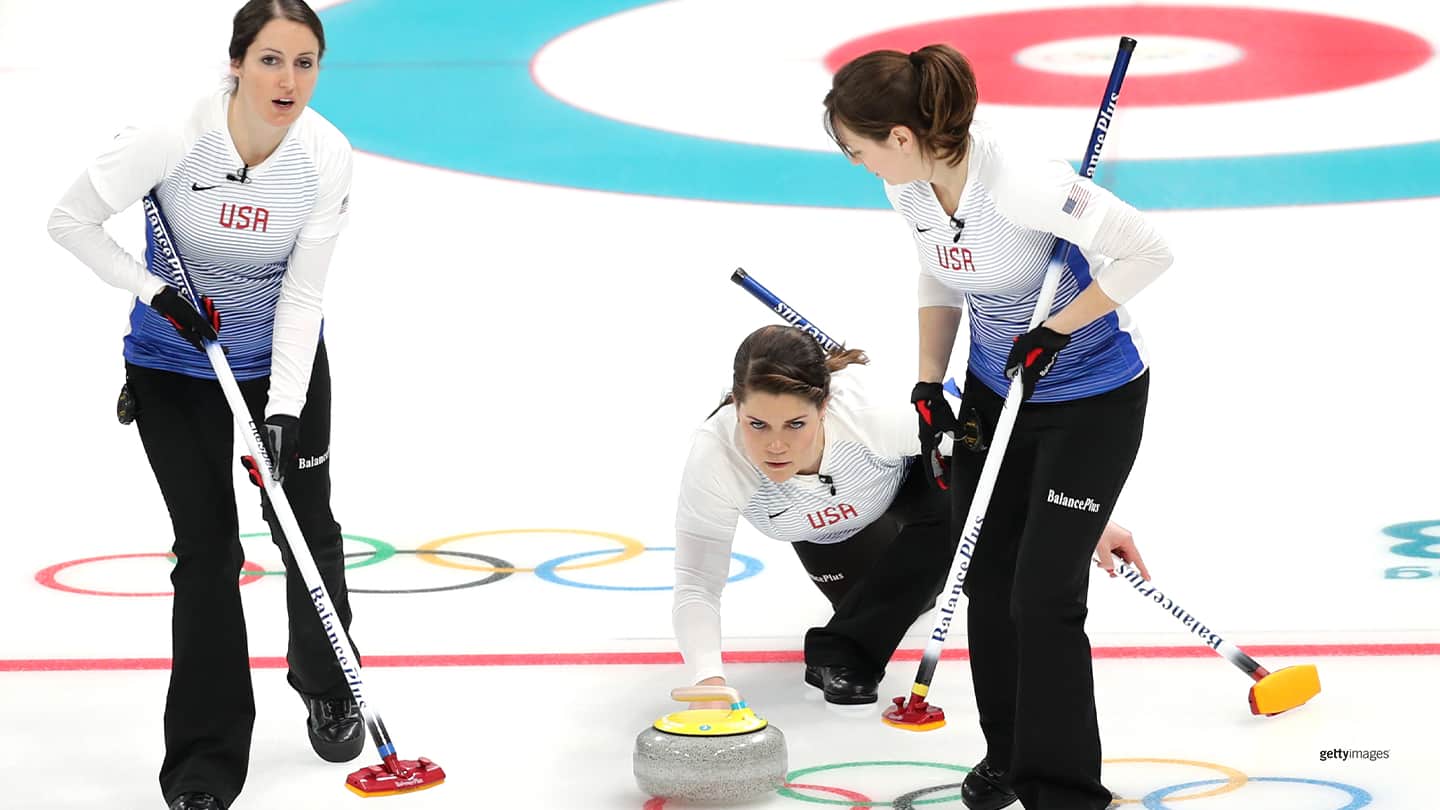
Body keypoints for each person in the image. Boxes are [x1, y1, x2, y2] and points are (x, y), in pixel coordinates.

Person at [824, 44, 1173, 810]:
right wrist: (927, 379)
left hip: (1091, 401)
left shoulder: (1022, 186)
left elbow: (1150, 251)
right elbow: (938, 269)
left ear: (903, 138)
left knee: (1043, 596)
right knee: (983, 577)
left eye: (856, 148)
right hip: (994, 391)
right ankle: (1010, 757)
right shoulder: (910, 189)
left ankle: (1066, 789)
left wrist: (1058, 329)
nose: (855, 162)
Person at [47, 2, 358, 808]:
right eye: (270, 60)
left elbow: (303, 295)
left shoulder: (326, 156)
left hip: (278, 360)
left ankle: (327, 680)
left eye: (304, 63)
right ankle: (204, 762)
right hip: (173, 366)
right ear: (235, 63)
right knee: (209, 554)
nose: (288, 80)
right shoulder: (173, 135)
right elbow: (69, 221)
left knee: (305, 524)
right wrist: (153, 293)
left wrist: (283, 410)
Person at [672, 325, 1145, 713]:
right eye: (757, 425)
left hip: (913, 488)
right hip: (827, 535)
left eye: (795, 424)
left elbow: (1003, 456)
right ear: (736, 406)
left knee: (967, 502)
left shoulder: (873, 417)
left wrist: (1083, 516)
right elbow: (697, 581)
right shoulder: (717, 458)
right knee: (904, 599)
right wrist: (708, 682)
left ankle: (844, 651)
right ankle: (872, 614)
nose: (775, 445)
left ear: (824, 406)